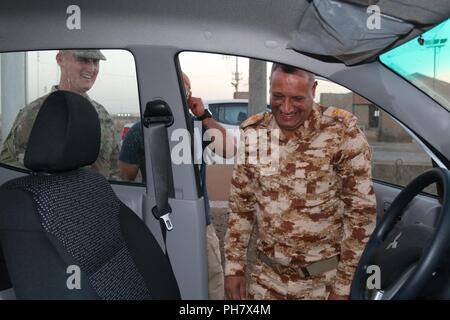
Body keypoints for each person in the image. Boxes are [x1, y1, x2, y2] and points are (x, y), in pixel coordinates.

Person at [224, 63, 377, 300]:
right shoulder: (255, 134)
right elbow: (241, 207)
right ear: (269, 88)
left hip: (323, 284)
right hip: (266, 282)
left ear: (313, 90)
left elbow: (360, 217)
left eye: (297, 98)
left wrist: (344, 288)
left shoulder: (342, 134)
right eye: (277, 97)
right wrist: (234, 266)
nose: (285, 108)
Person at [118, 72, 236, 300]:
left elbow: (229, 149)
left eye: (187, 90)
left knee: (206, 281)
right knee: (190, 280)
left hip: (188, 220)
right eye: (183, 89)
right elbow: (127, 175)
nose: (185, 93)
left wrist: (204, 116)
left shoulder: (197, 127)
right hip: (169, 221)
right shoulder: (139, 132)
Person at [0, 50, 119, 179]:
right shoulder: (34, 114)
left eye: (95, 62)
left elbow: (114, 173)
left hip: (93, 197)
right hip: (48, 196)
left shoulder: (103, 116)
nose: (91, 68)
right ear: (60, 59)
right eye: (83, 59)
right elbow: (9, 169)